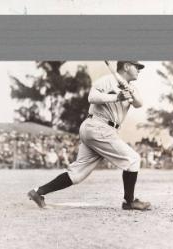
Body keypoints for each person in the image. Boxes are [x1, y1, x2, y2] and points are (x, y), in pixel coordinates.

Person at [28, 61, 151, 211]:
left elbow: (139, 103)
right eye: (136, 66)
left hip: (99, 129)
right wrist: (116, 97)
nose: (139, 70)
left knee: (77, 174)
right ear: (126, 66)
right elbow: (91, 98)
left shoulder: (131, 87)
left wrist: (127, 89)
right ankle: (129, 202)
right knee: (133, 159)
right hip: (98, 125)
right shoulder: (107, 80)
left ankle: (38, 192)